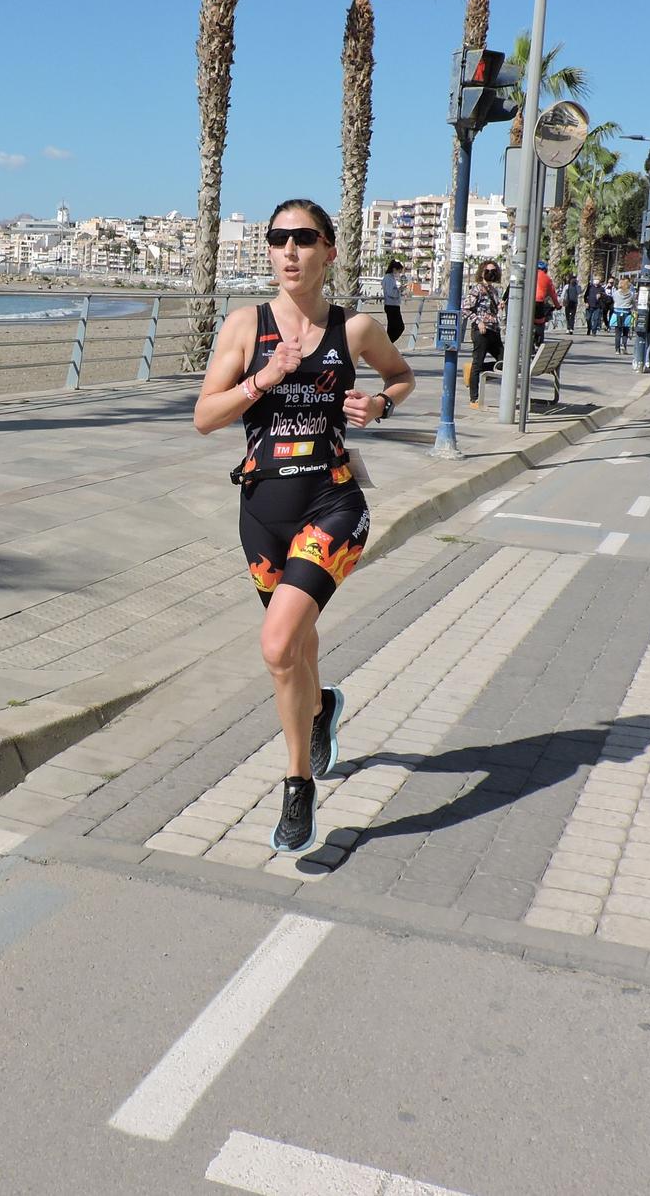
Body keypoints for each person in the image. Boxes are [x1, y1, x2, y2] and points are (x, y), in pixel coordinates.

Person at [196, 199, 415, 854]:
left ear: (329, 252)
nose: (289, 250)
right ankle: (320, 708)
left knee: (275, 643)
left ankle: (297, 785)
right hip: (263, 512)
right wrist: (264, 377)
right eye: (277, 239)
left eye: (303, 239)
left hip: (335, 503)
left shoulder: (355, 330)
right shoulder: (245, 326)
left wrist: (379, 402)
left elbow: (401, 376)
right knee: (296, 641)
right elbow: (205, 416)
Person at [464, 261, 505, 406]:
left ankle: (477, 370)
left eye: (494, 271)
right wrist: (478, 322)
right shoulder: (477, 289)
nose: (491, 273)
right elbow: (466, 308)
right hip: (481, 331)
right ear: (482, 272)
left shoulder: (494, 291)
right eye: (488, 271)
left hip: (494, 330)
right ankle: (474, 398)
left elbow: (492, 310)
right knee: (478, 361)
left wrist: (500, 307)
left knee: (504, 362)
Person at [380, 260, 405, 344]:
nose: (399, 273)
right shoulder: (389, 278)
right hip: (392, 306)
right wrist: (399, 290)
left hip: (392, 305)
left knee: (392, 328)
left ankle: (386, 345)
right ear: (394, 269)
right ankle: (386, 345)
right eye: (399, 271)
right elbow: (391, 292)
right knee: (399, 327)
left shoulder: (389, 278)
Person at [533, 261, 556, 348]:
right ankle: (538, 343)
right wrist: (557, 306)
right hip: (539, 302)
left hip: (527, 303)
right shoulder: (547, 279)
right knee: (540, 322)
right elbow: (553, 294)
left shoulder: (529, 275)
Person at [611, 278, 633, 355]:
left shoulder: (615, 293)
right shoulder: (631, 294)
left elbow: (613, 300)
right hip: (627, 312)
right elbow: (633, 303)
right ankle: (624, 345)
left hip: (617, 312)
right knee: (625, 331)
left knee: (618, 332)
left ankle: (617, 349)